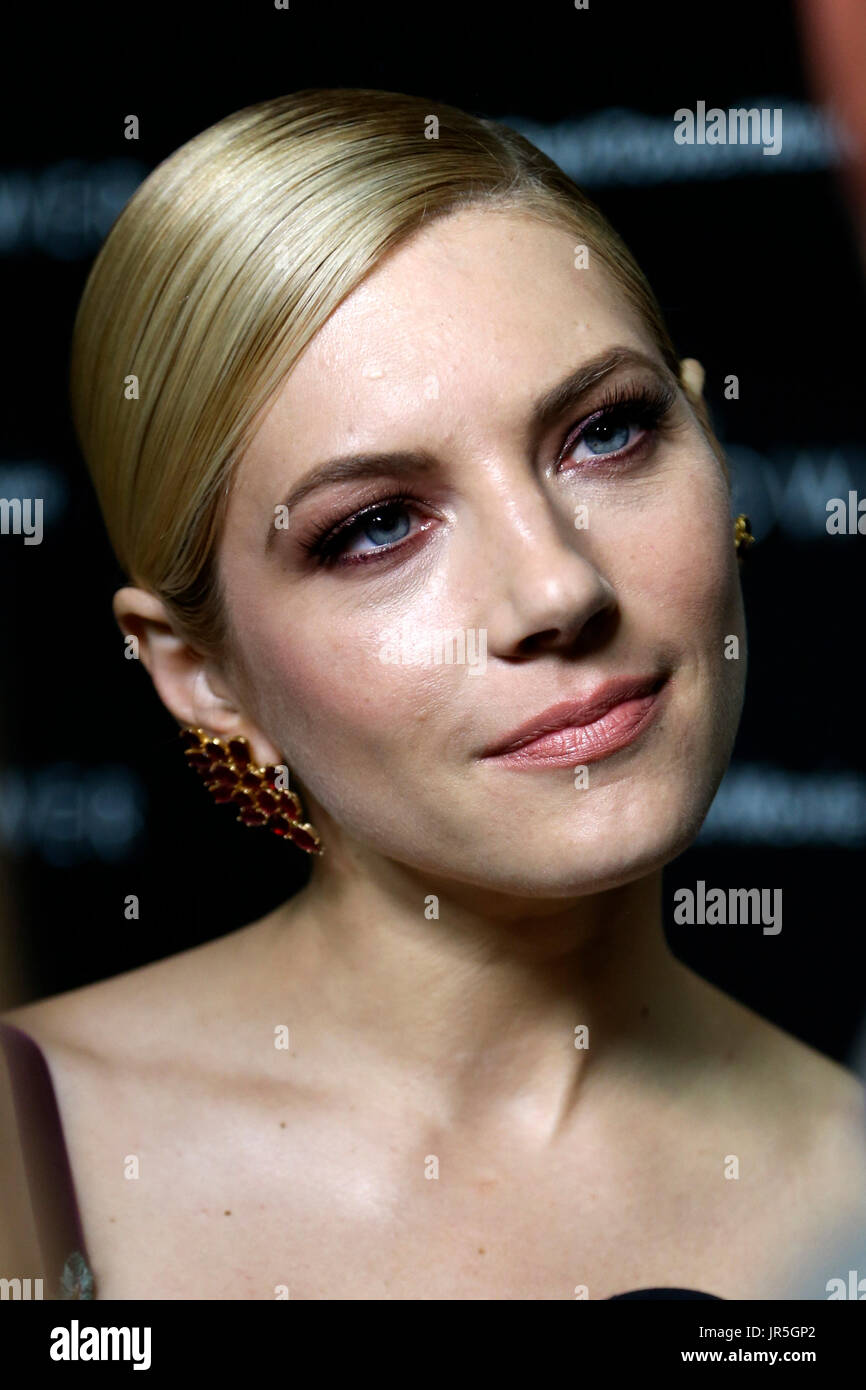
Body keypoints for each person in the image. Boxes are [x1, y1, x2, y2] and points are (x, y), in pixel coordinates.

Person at [2, 88, 864, 1301]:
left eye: (606, 433)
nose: (556, 585)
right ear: (200, 673)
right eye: (375, 527)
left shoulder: (847, 1197)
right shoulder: (29, 1148)